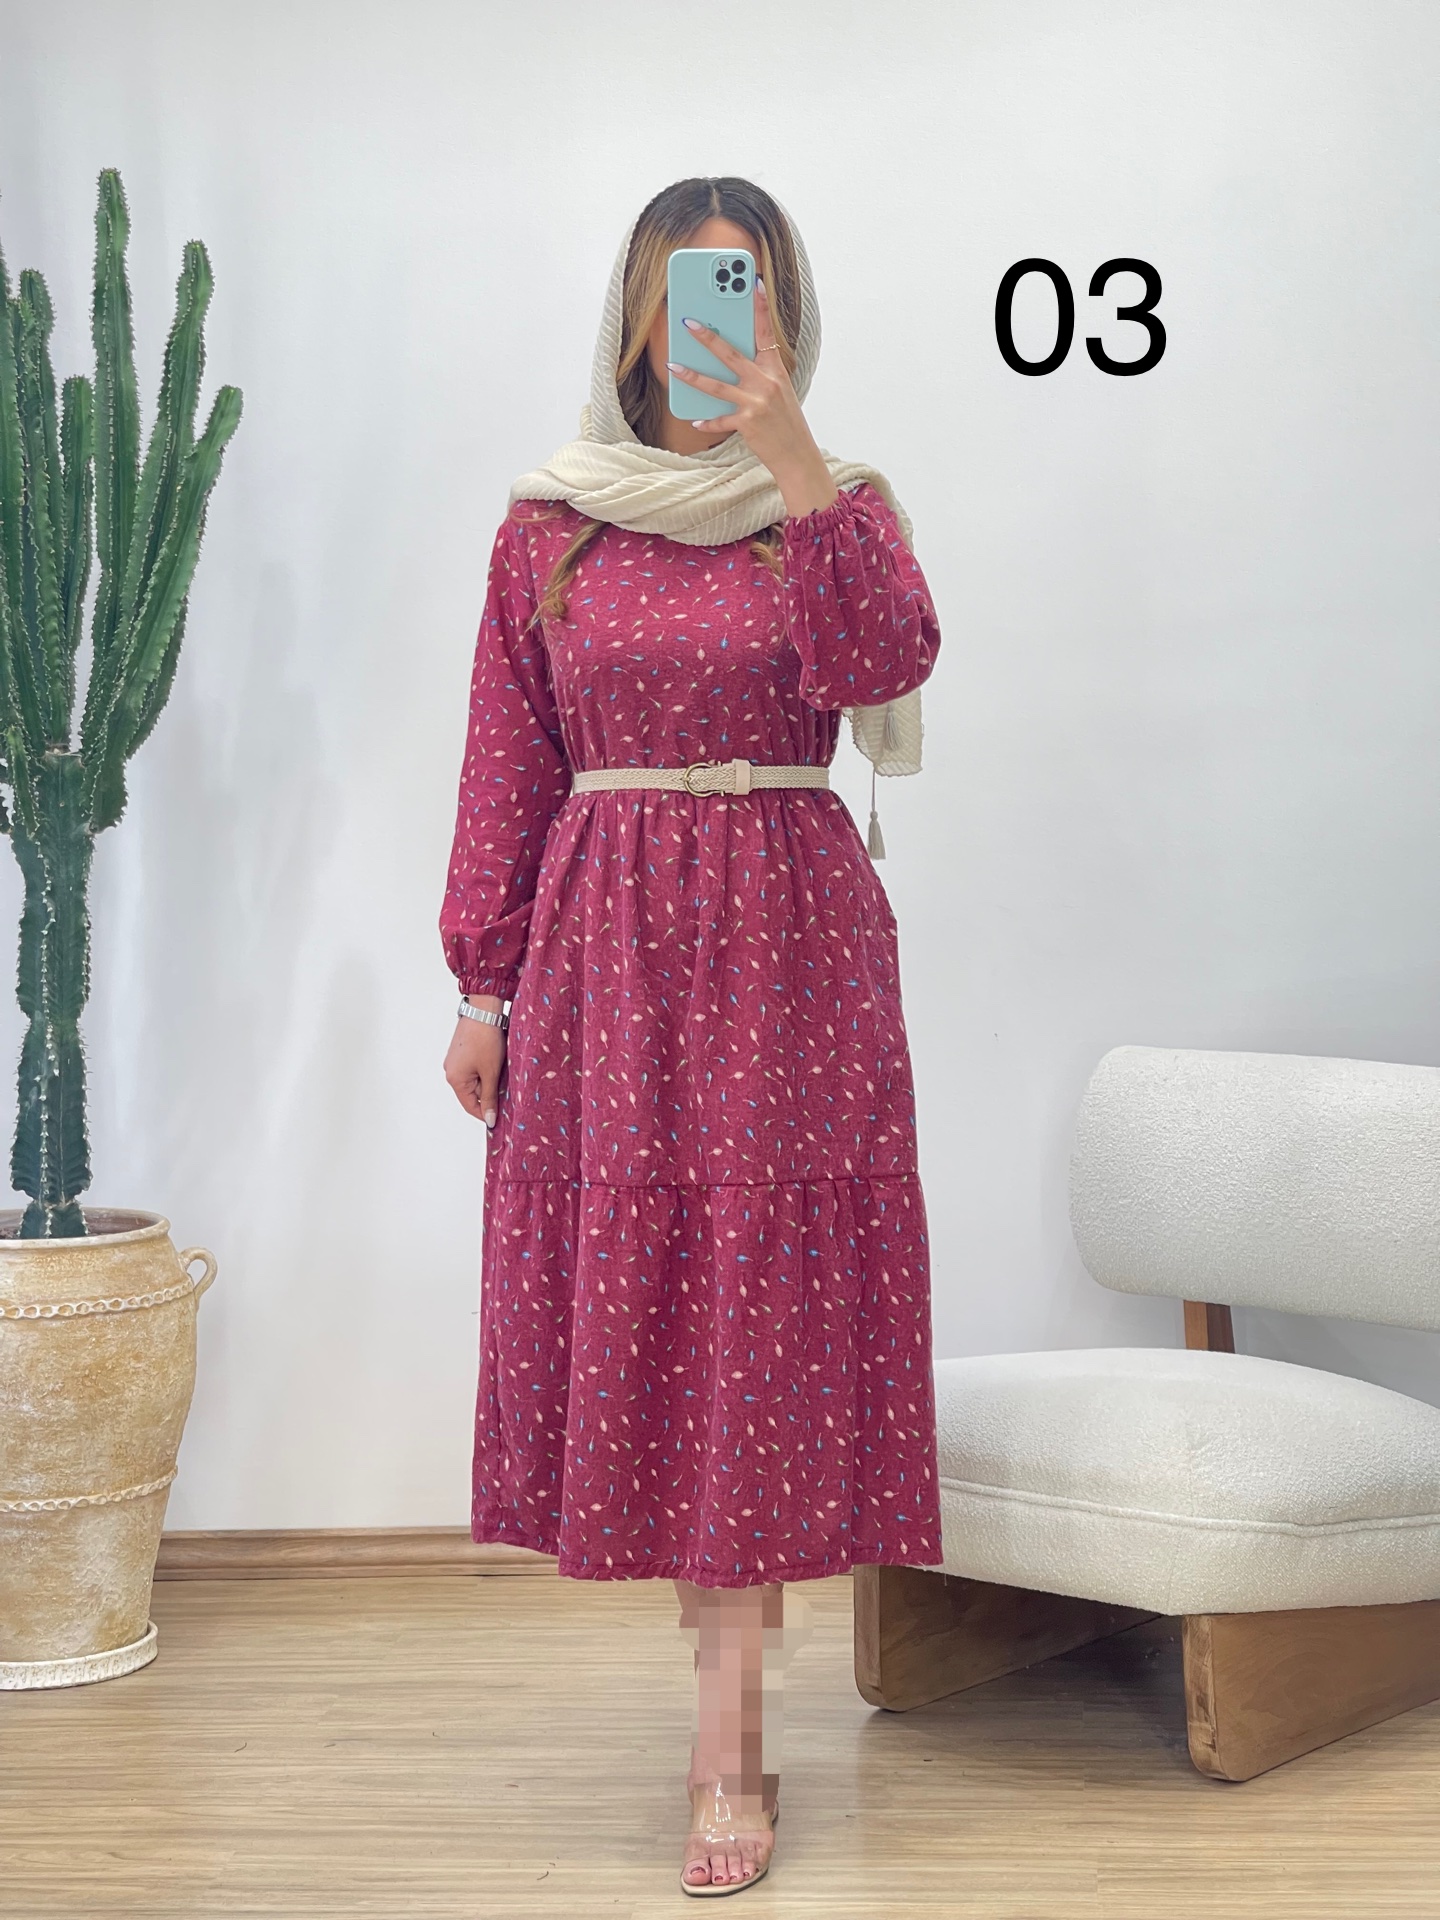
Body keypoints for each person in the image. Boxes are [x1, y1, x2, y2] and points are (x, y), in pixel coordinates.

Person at [440, 175, 943, 1896]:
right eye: (689, 292)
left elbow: (884, 673)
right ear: (635, 315)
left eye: (749, 292)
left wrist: (796, 462)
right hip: (609, 952)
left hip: (794, 948)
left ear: (786, 312)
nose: (719, 325)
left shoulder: (838, 508)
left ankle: (729, 1747)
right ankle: (725, 1711)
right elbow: (508, 761)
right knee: (660, 1302)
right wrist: (482, 986)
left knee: (763, 1306)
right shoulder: (551, 529)